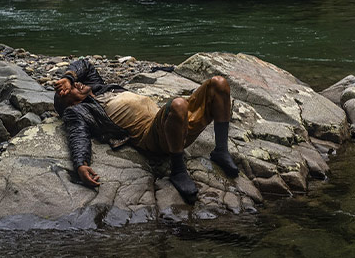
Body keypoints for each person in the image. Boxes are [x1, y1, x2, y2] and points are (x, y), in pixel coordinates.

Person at [53, 58, 240, 204]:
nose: (77, 84)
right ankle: (178, 169)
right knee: (178, 104)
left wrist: (69, 78)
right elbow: (77, 134)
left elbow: (85, 65)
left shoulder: (99, 88)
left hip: (176, 122)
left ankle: (221, 151)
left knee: (219, 83)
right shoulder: (80, 110)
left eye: (74, 83)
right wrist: (80, 164)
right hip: (155, 136)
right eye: (68, 91)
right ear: (69, 103)